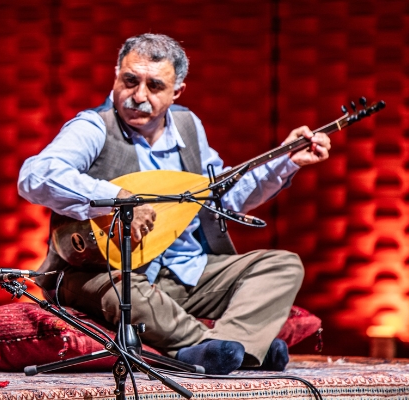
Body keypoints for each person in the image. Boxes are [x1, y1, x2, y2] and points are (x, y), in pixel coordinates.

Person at [17, 33, 331, 375]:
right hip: (107, 271)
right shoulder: (94, 126)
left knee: (282, 266)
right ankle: (224, 348)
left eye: (154, 86)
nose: (139, 96)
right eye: (130, 81)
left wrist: (286, 162)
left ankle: (226, 348)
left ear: (176, 91)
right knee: (124, 294)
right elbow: (35, 175)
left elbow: (222, 198)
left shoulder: (188, 126)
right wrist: (118, 199)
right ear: (116, 75)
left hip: (184, 270)